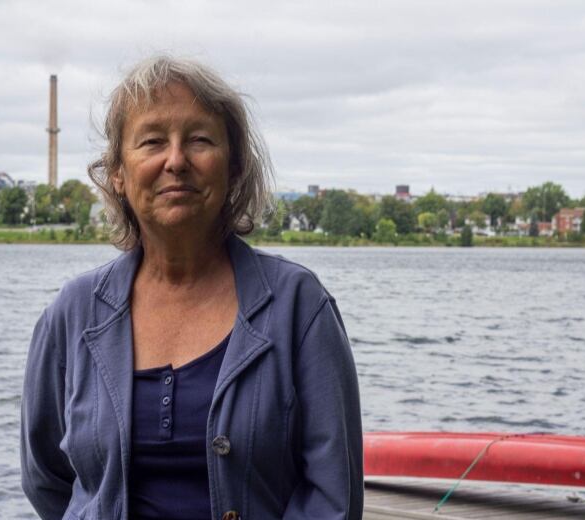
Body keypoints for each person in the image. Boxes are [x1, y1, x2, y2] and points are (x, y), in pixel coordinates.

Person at [20, 56, 363, 520]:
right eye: (152, 141)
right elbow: (47, 478)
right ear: (118, 172)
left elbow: (333, 496)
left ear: (234, 166)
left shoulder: (298, 307)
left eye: (199, 140)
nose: (176, 160)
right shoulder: (73, 314)